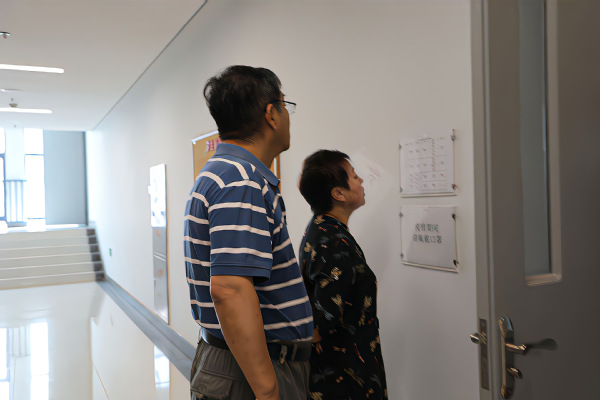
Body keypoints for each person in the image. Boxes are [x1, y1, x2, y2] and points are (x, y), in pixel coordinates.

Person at [184, 65, 313, 400]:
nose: (288, 116)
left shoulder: (224, 173)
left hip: (241, 363)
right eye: (286, 106)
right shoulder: (240, 180)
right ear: (271, 114)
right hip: (253, 373)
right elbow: (230, 289)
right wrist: (267, 390)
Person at [298, 150, 388, 400]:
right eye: (354, 176)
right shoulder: (333, 242)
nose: (361, 181)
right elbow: (321, 323)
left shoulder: (321, 228)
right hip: (343, 379)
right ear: (338, 194)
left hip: (342, 371)